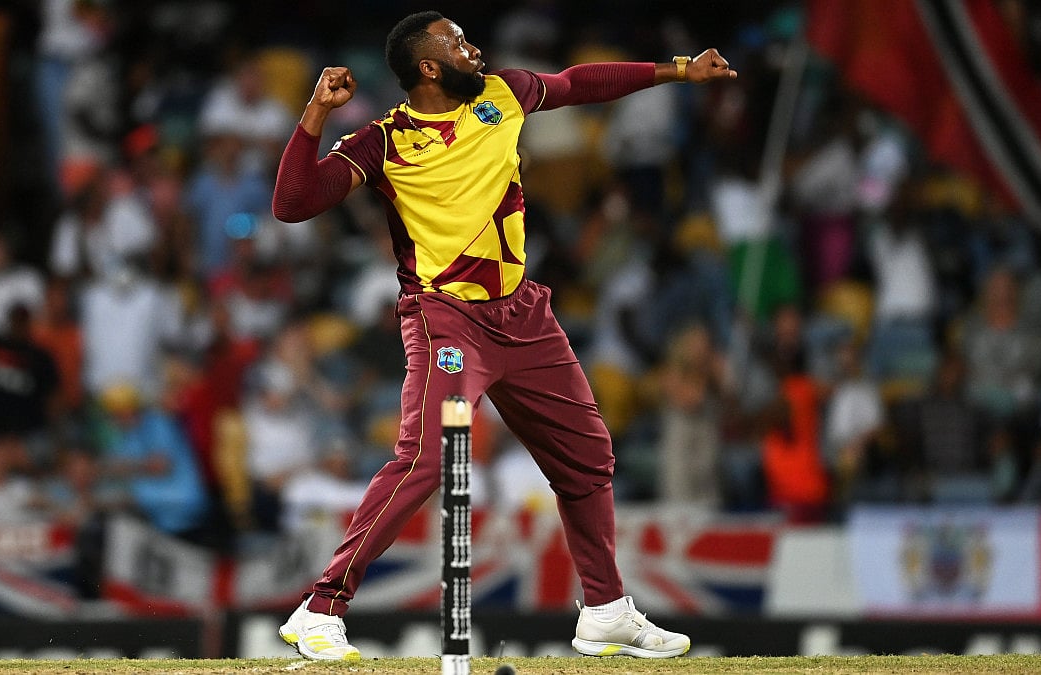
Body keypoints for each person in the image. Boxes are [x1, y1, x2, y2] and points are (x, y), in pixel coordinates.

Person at [270, 11, 736, 661]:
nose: (474, 47)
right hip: (446, 316)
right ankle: (320, 607)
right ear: (428, 67)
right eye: (457, 43)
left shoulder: (502, 93)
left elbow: (580, 82)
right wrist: (315, 113)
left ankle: (605, 608)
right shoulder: (385, 140)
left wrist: (679, 70)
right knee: (427, 456)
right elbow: (292, 203)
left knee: (588, 455)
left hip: (523, 315)